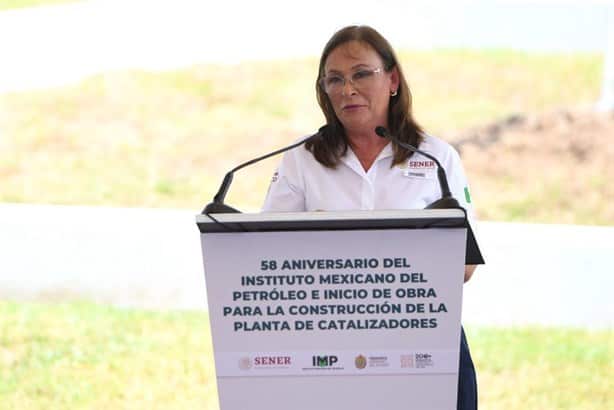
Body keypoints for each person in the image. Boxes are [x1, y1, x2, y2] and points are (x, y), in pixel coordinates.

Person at [262, 25, 478, 410]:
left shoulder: (435, 158)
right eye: (335, 80)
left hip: (422, 338)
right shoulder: (301, 160)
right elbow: (269, 256)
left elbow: (463, 264)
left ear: (392, 79)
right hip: (326, 344)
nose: (348, 89)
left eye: (362, 74)